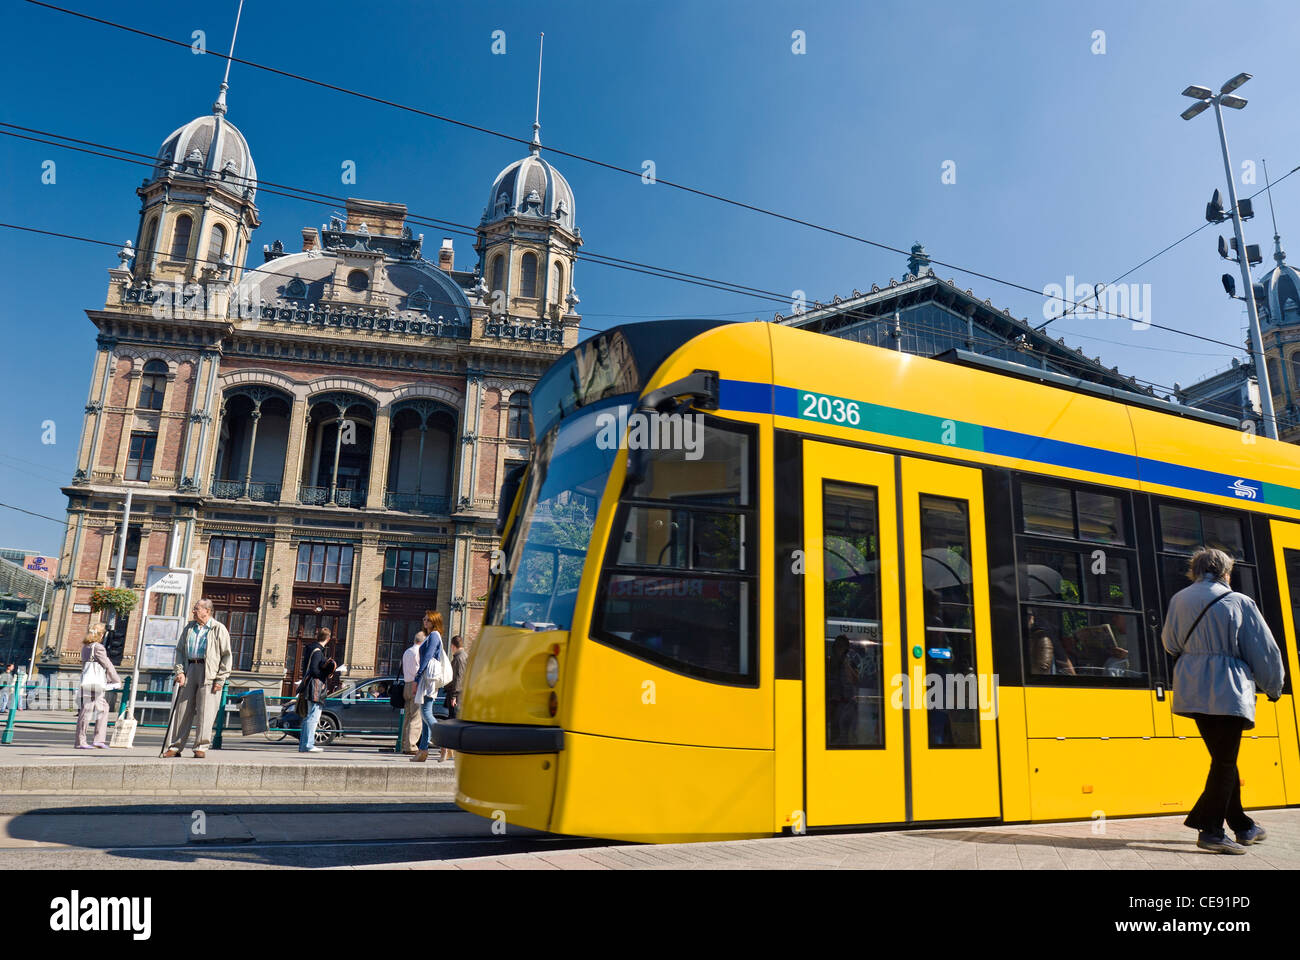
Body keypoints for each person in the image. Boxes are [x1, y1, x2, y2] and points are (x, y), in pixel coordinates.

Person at [1162, 547, 1285, 855]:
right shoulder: (1238, 601)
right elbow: (1263, 650)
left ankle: (1243, 826)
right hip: (1227, 689)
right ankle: (1211, 829)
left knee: (1223, 759)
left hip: (1191, 687)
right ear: (1225, 572)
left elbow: (1170, 643)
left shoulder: (1179, 599)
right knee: (1225, 760)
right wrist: (1273, 686)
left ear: (1195, 570)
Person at [163, 599, 232, 759]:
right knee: (182, 710)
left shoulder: (218, 628)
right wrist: (179, 671)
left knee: (205, 711)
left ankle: (200, 746)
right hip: (190, 669)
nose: (193, 611)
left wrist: (220, 679)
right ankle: (175, 746)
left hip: (209, 672)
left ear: (207, 611)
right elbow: (180, 651)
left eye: (196, 609)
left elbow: (226, 656)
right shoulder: (189, 628)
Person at [76, 624, 120, 749]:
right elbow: (107, 664)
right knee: (87, 710)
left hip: (87, 681)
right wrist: (116, 680)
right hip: (95, 683)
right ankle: (81, 741)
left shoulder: (86, 647)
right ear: (101, 635)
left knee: (103, 708)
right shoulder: (98, 647)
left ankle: (98, 740)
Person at [298, 627, 338, 753]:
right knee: (313, 716)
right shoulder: (317, 652)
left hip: (309, 686)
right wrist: (326, 672)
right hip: (315, 687)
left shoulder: (311, 649)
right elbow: (315, 670)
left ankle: (304, 745)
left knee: (308, 716)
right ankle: (309, 744)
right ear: (328, 638)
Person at [411, 611, 444, 763]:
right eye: (424, 619)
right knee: (425, 717)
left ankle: (446, 742)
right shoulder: (433, 636)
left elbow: (427, 657)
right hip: (428, 679)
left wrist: (416, 678)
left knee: (426, 712)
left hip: (427, 680)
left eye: (428, 619)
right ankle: (423, 751)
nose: (424, 621)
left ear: (434, 621)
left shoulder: (434, 636)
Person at [438, 635, 467, 762]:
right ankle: (450, 750)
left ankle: (448, 749)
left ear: (453, 646)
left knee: (452, 722)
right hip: (460, 693)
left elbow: (458, 678)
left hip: (456, 695)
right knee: (454, 721)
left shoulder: (459, 658)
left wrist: (454, 695)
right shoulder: (464, 656)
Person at [399, 628, 426, 755]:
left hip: (406, 685)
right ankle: (411, 746)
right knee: (416, 717)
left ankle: (404, 743)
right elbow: (418, 671)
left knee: (408, 716)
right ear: (423, 641)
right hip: (415, 685)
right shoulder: (418, 652)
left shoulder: (407, 651)